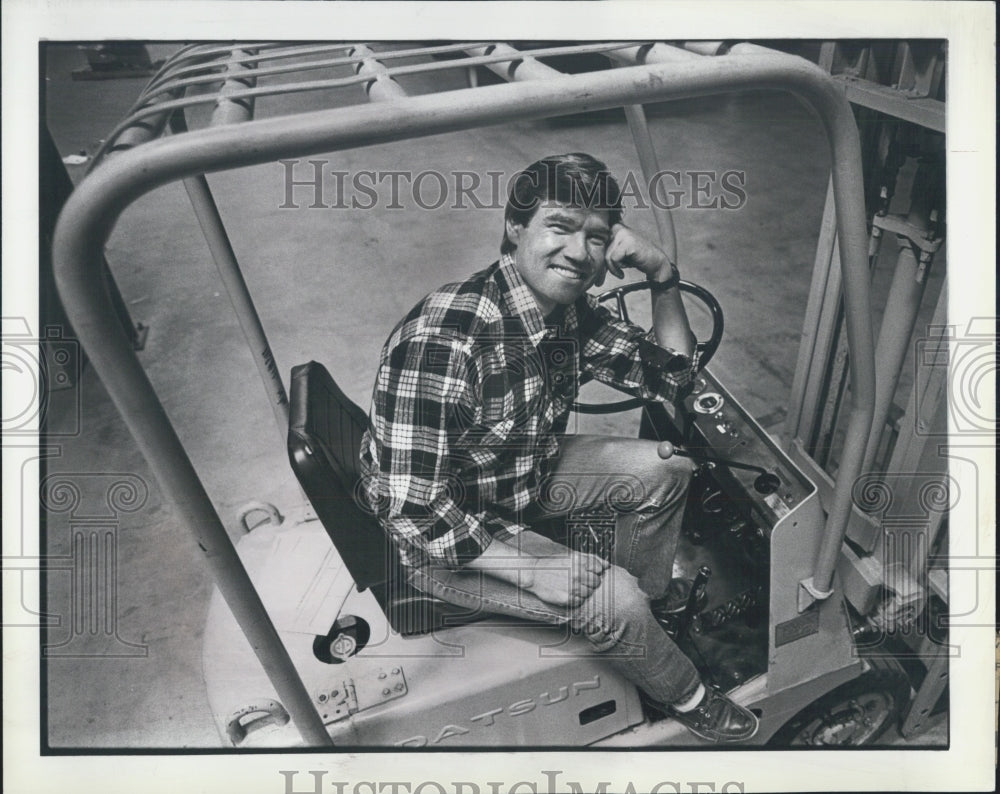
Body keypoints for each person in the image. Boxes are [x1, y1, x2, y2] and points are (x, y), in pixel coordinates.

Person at [359, 153, 758, 743]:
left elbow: (674, 374)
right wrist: (529, 571)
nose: (578, 251)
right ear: (516, 229)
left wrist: (662, 275)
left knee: (667, 469)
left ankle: (648, 613)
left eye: (596, 238)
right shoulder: (446, 340)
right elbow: (411, 508)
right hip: (445, 543)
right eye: (560, 226)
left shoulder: (566, 315)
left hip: (517, 479)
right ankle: (684, 692)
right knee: (614, 602)